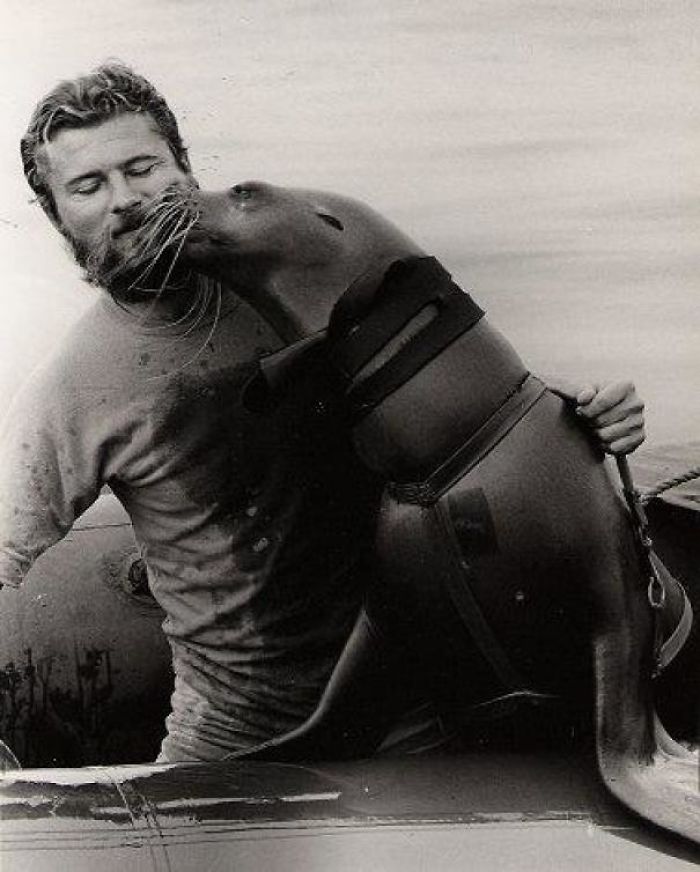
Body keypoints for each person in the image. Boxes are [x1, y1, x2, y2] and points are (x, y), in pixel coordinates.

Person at [0, 63, 645, 763]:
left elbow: (471, 402)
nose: (126, 200)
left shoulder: (301, 274)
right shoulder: (69, 389)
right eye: (89, 186)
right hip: (239, 730)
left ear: (185, 169)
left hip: (419, 691)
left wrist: (588, 411)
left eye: (141, 168)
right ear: (58, 216)